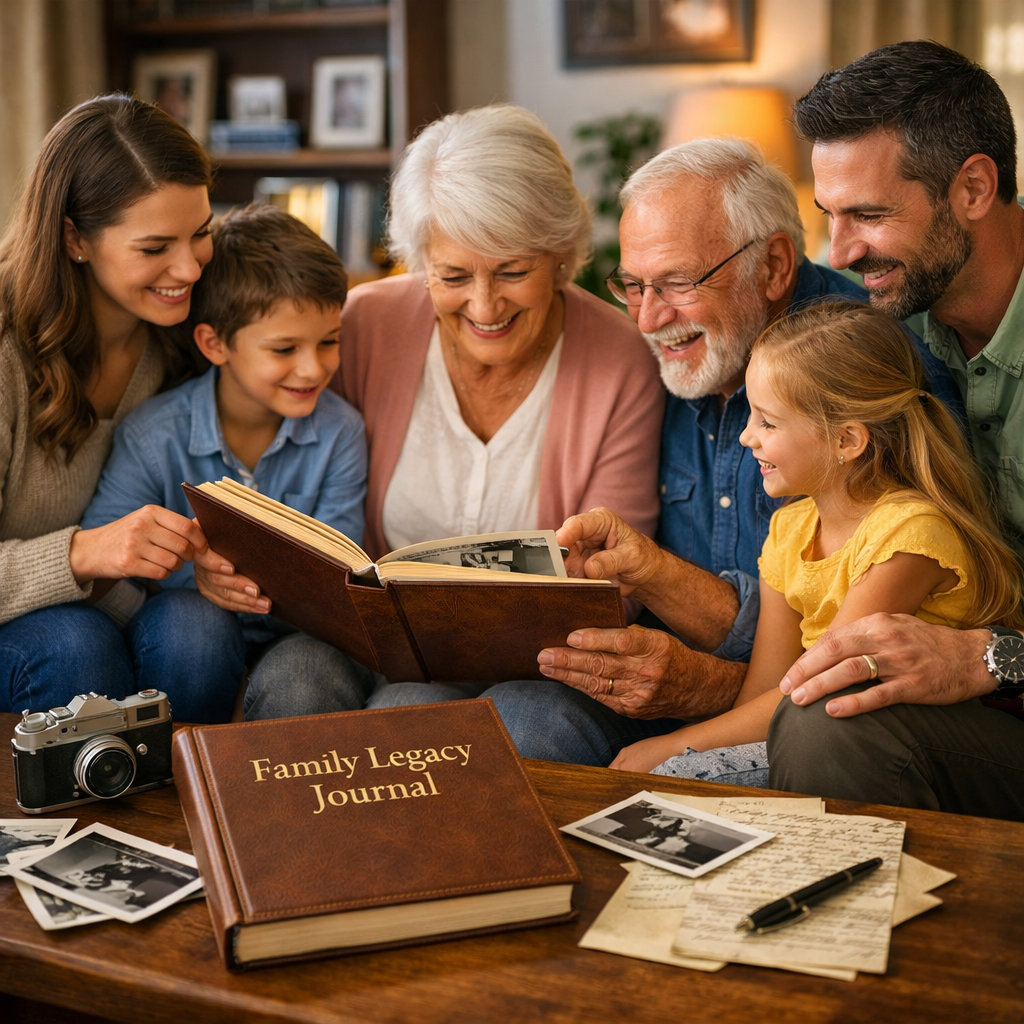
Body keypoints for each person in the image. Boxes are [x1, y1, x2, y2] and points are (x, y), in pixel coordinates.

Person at [486, 137, 961, 767]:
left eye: (678, 283)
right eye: (633, 286)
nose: (650, 318)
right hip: (715, 694)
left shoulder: (859, 376)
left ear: (772, 267)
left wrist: (687, 699)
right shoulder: (685, 357)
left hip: (826, 723)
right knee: (505, 719)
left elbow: (824, 679)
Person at [241, 103, 664, 718]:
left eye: (513, 271)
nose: (485, 305)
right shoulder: (364, 326)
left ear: (559, 255)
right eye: (454, 275)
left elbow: (613, 587)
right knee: (296, 679)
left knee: (425, 712)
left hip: (541, 661)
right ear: (421, 264)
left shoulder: (620, 357)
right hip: (368, 634)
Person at [766, 40, 1024, 818]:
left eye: (869, 216)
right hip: (980, 717)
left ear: (973, 186)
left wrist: (991, 657)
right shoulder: (891, 337)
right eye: (830, 217)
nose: (841, 251)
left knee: (826, 726)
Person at [609, 302, 1023, 784]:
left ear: (846, 440)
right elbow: (766, 688)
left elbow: (816, 686)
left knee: (677, 777)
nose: (746, 438)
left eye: (767, 422)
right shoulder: (790, 530)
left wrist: (672, 749)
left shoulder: (907, 534)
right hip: (808, 724)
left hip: (904, 742)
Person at [0, 94, 245, 718]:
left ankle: (192, 811)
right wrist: (82, 552)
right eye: (155, 247)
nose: (189, 268)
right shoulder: (7, 354)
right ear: (75, 239)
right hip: (32, 629)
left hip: (120, 607)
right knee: (73, 645)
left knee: (199, 630)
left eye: (201, 233)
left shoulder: (182, 337)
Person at [82, 204, 368, 723]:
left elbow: (340, 567)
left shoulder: (340, 431)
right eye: (284, 348)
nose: (313, 367)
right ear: (215, 344)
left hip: (298, 637)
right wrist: (196, 579)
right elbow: (108, 559)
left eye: (329, 342)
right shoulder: (153, 435)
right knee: (193, 623)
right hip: (185, 635)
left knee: (305, 676)